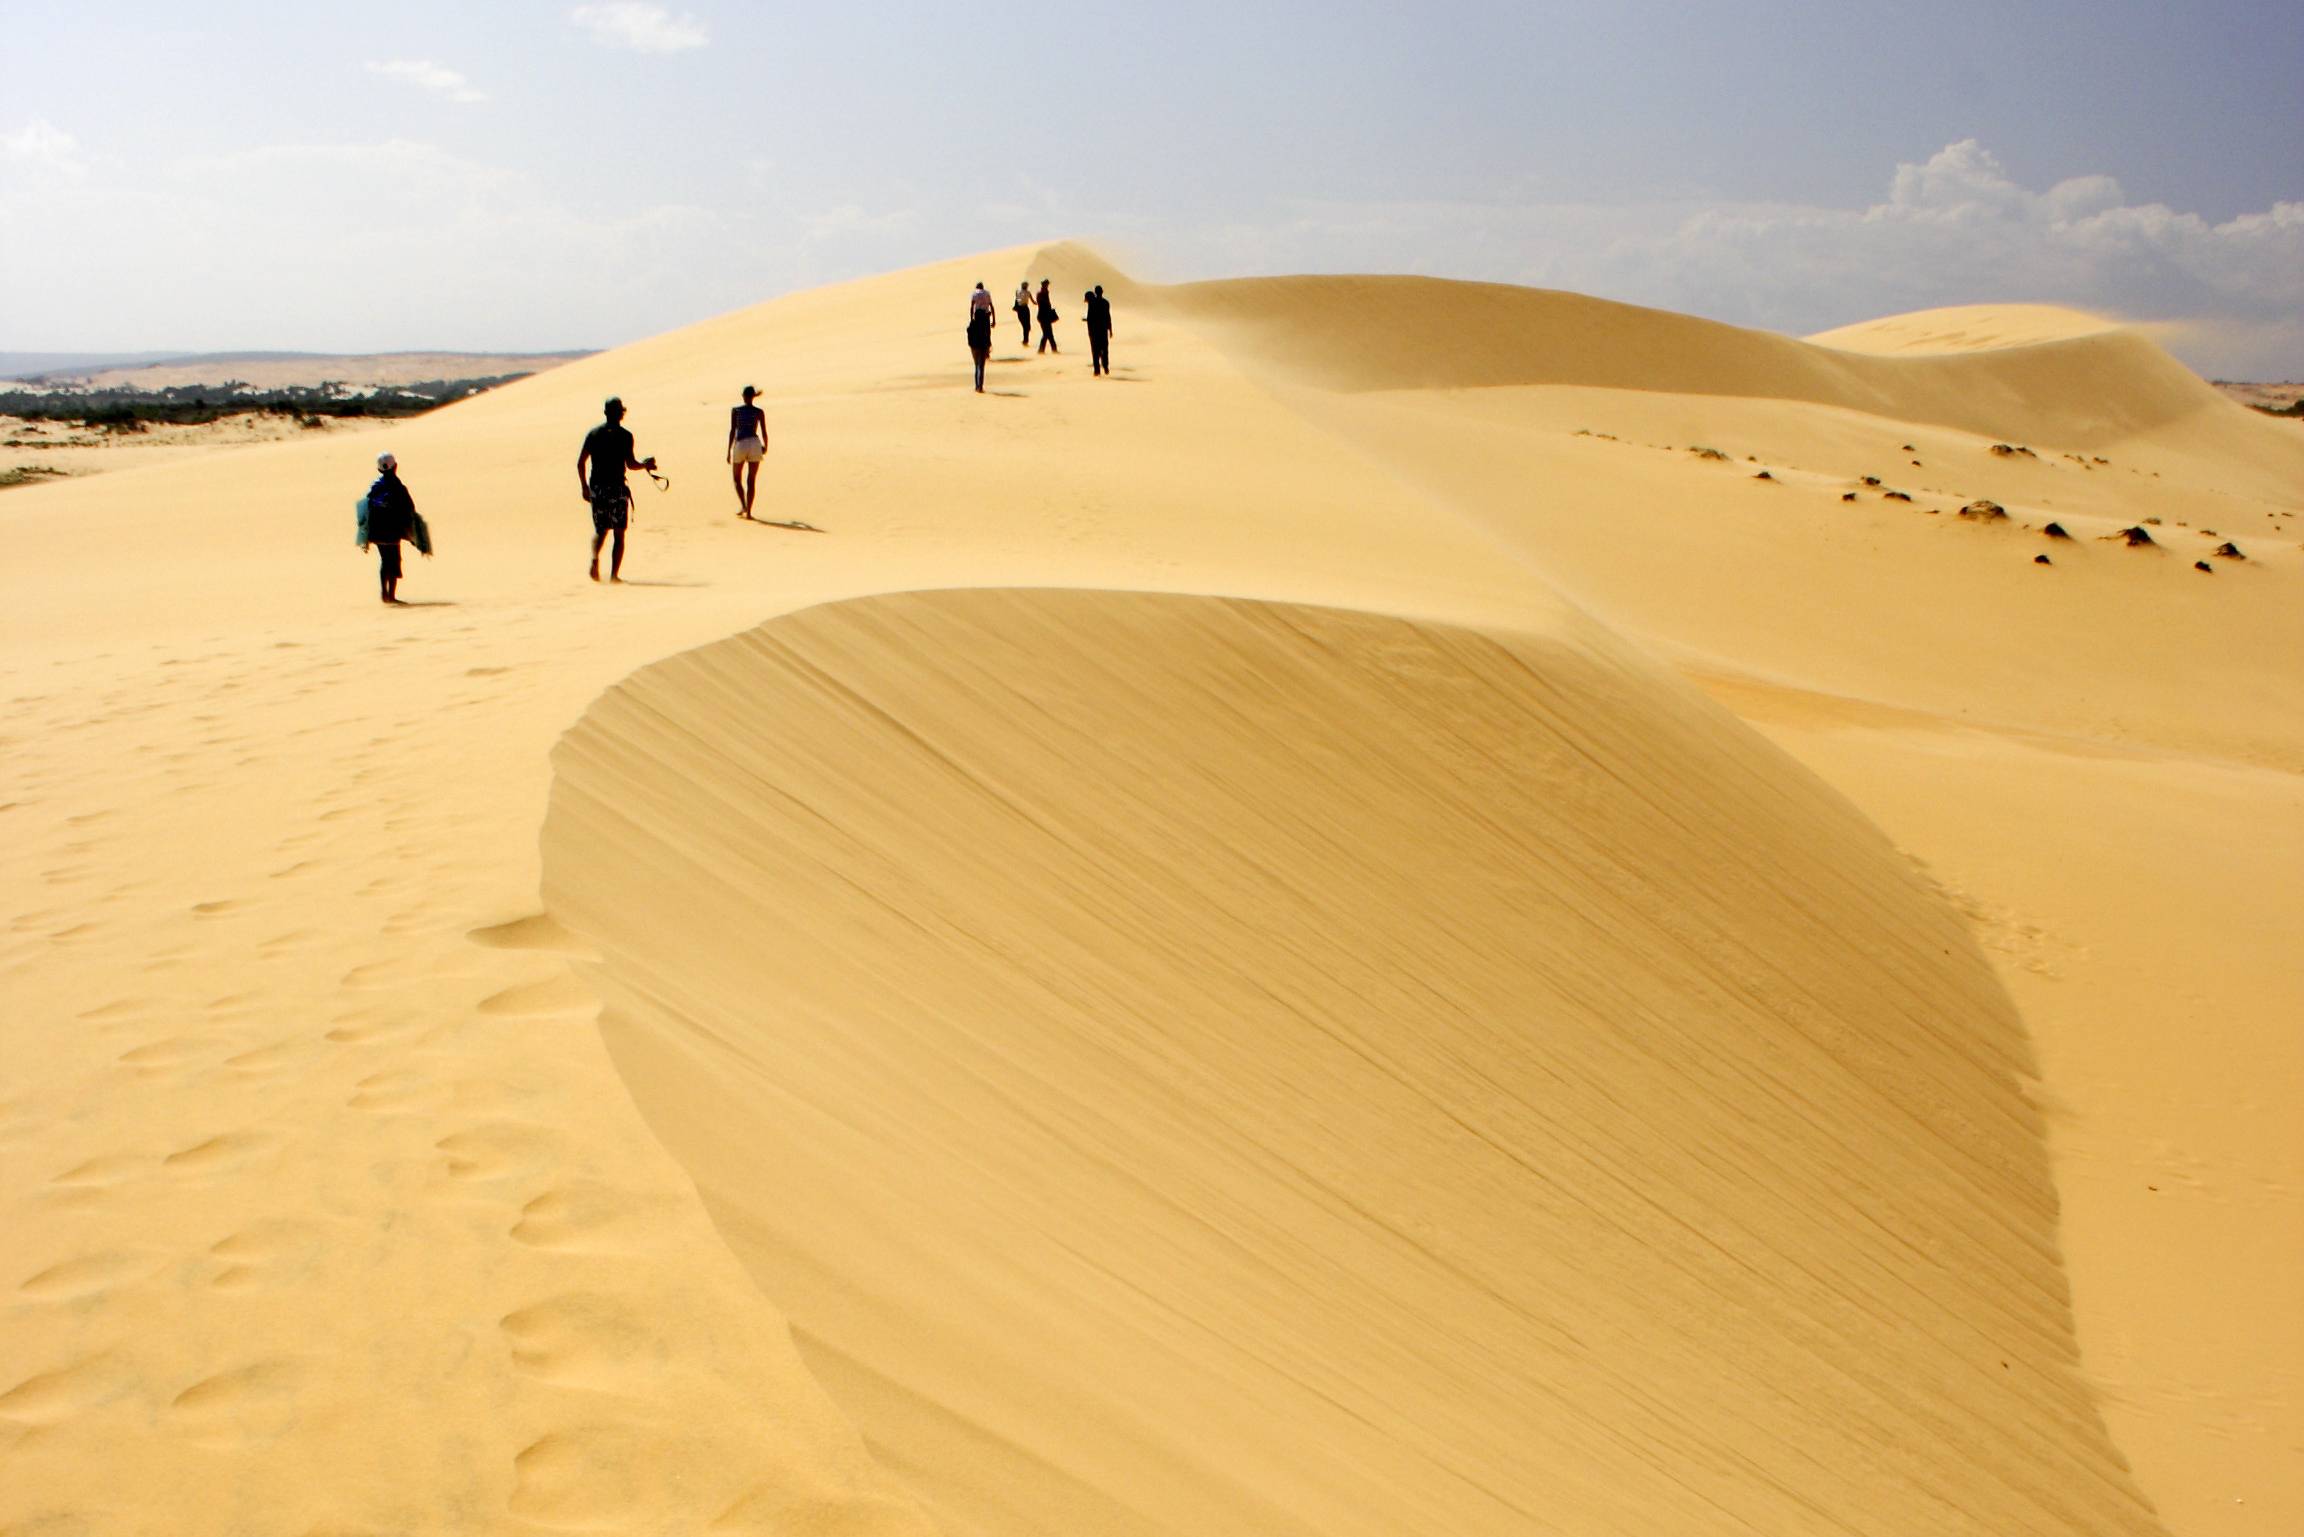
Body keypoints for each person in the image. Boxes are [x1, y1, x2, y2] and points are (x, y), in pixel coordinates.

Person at [576, 397, 654, 583]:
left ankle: (595, 560)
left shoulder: (593, 434)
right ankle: (614, 576)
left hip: (598, 488)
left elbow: (581, 463)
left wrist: (584, 487)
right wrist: (645, 465)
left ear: (605, 413)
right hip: (617, 488)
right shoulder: (625, 436)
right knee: (619, 532)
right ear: (621, 413)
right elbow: (631, 464)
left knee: (601, 530)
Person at [358, 449, 428, 604]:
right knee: (394, 560)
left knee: (385, 560)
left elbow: (365, 507)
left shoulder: (375, 486)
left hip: (376, 531)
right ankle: (391, 595)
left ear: (379, 469)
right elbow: (409, 508)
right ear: (395, 467)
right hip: (392, 531)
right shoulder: (398, 487)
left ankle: (384, 594)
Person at [727, 385, 768, 520]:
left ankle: (744, 505)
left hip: (741, 443)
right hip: (755, 443)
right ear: (753, 396)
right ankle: (749, 512)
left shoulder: (736, 410)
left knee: (736, 478)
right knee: (751, 480)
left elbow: (733, 430)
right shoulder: (759, 412)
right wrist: (765, 446)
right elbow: (764, 432)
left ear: (744, 396)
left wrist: (728, 450)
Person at [1085, 284, 1114, 377]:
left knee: (1095, 350)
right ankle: (1105, 367)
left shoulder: (1092, 303)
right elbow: (1108, 317)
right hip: (1103, 330)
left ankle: (1097, 370)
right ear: (1102, 292)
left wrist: (1089, 331)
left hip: (1094, 331)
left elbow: (1090, 318)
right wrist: (1110, 329)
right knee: (1104, 349)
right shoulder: (1106, 302)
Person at [966, 299, 994, 393]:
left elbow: (969, 334)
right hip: (982, 347)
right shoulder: (984, 325)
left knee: (976, 366)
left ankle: (977, 386)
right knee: (980, 367)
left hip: (974, 347)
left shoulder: (972, 324)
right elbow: (987, 337)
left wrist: (971, 346)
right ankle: (980, 386)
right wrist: (987, 348)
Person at [1034, 279, 1060, 354]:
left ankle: (1048, 349)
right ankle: (1046, 349)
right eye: (1046, 284)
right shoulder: (1042, 293)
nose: (1047, 286)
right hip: (1044, 316)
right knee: (1047, 333)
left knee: (1047, 333)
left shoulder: (1043, 292)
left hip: (1043, 316)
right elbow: (1044, 304)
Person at [1013, 281, 1033, 346]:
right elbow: (1033, 301)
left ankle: (1025, 340)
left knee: (1026, 326)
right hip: (1024, 309)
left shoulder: (1019, 291)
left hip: (1022, 309)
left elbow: (1017, 300)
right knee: (1026, 326)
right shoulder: (1026, 292)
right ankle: (1025, 340)